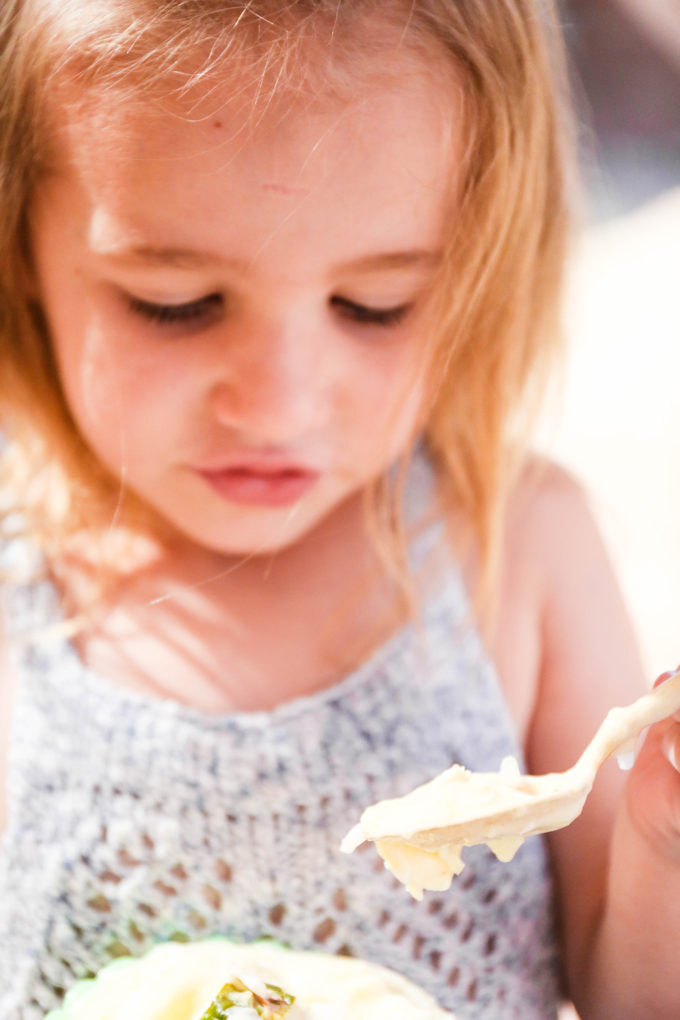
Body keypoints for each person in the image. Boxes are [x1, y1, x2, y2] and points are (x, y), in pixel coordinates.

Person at [0, 1, 677, 1017]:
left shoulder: (516, 547)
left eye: (374, 305)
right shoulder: (21, 587)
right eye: (173, 303)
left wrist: (661, 843)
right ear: (18, 255)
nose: (276, 402)